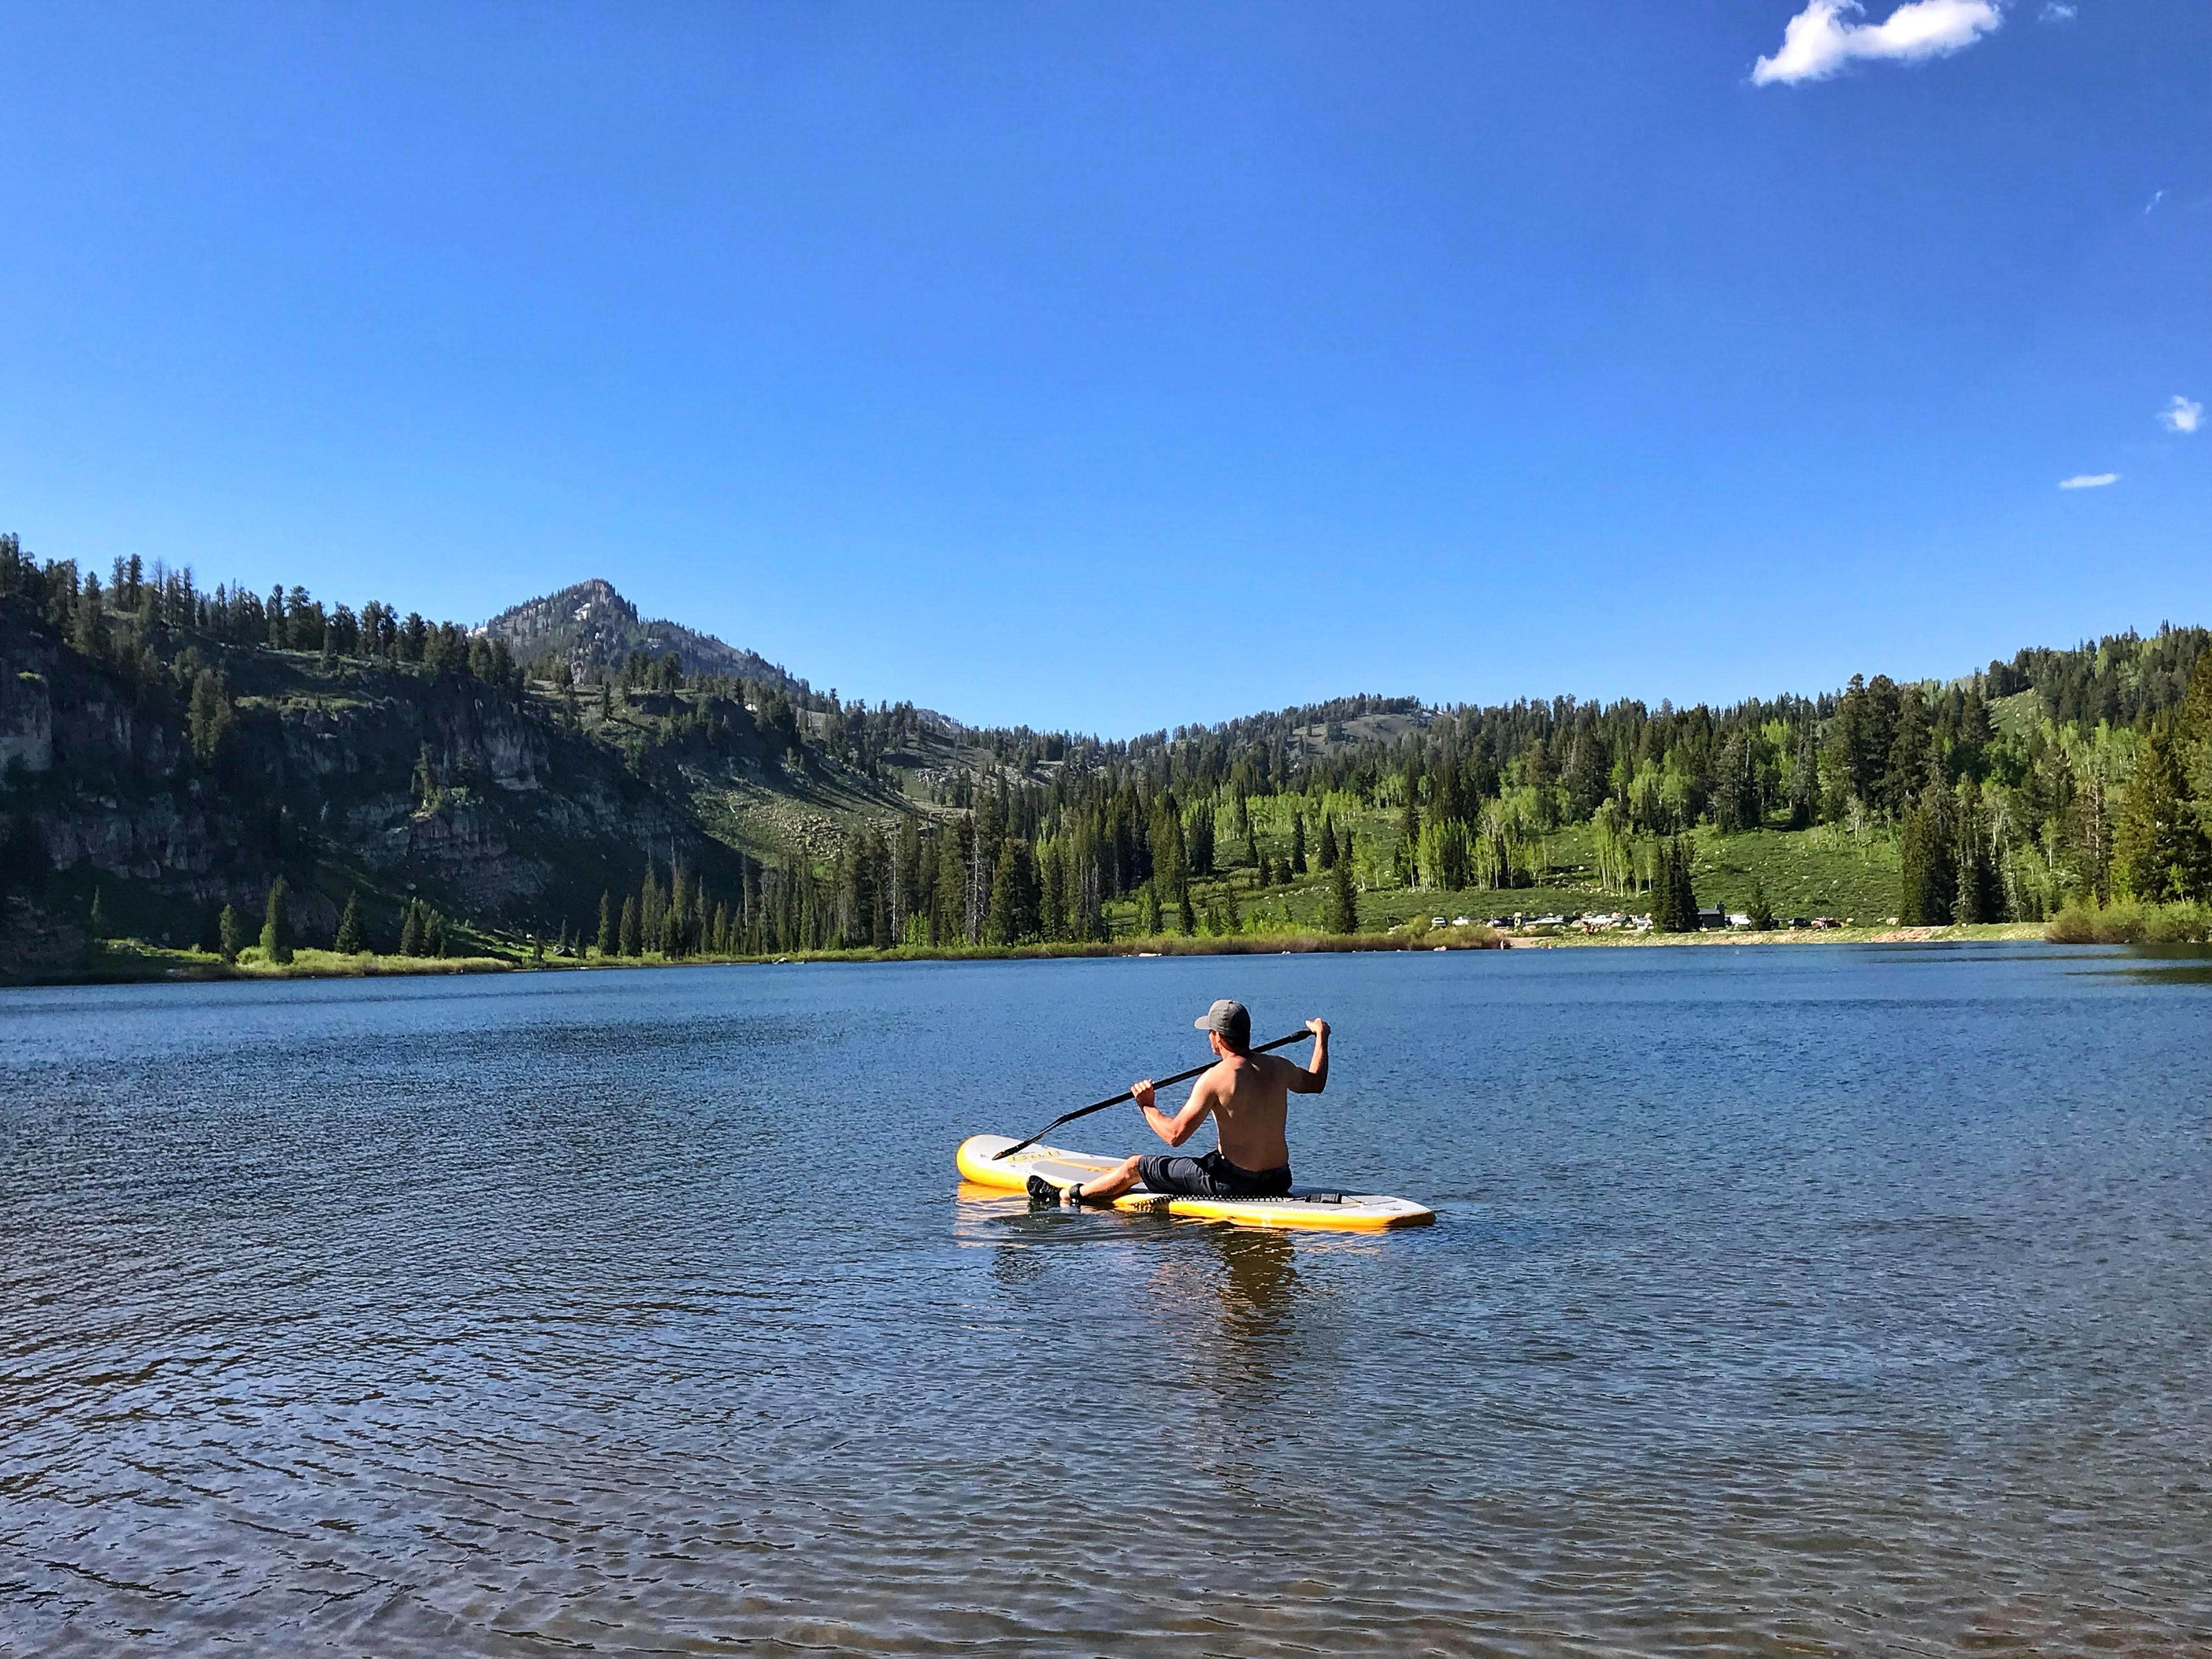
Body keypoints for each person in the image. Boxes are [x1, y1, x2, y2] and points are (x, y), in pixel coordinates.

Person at [1029, 1001, 1328, 1206]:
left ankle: (1068, 1196)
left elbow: (1174, 1136)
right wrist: (1321, 1038)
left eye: (1210, 1033)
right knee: (1213, 1158)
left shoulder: (1215, 1079)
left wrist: (1147, 1106)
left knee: (1135, 1165)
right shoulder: (1279, 1066)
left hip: (1235, 1185)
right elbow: (1316, 1083)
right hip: (1280, 1179)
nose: (1209, 1038)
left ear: (1218, 1038)